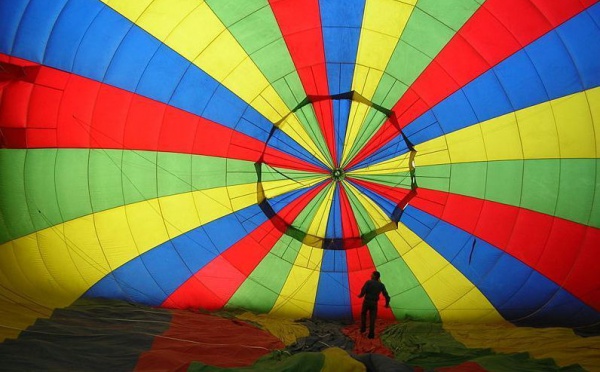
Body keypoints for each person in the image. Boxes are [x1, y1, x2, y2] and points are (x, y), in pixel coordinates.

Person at [358, 271, 390, 339]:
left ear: (374, 276)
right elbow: (387, 296)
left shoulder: (368, 282)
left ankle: (363, 329)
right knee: (372, 318)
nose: (370, 275)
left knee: (363, 314)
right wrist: (387, 304)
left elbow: (363, 290)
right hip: (374, 303)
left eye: (372, 274)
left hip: (366, 301)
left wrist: (360, 295)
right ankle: (371, 334)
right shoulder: (381, 285)